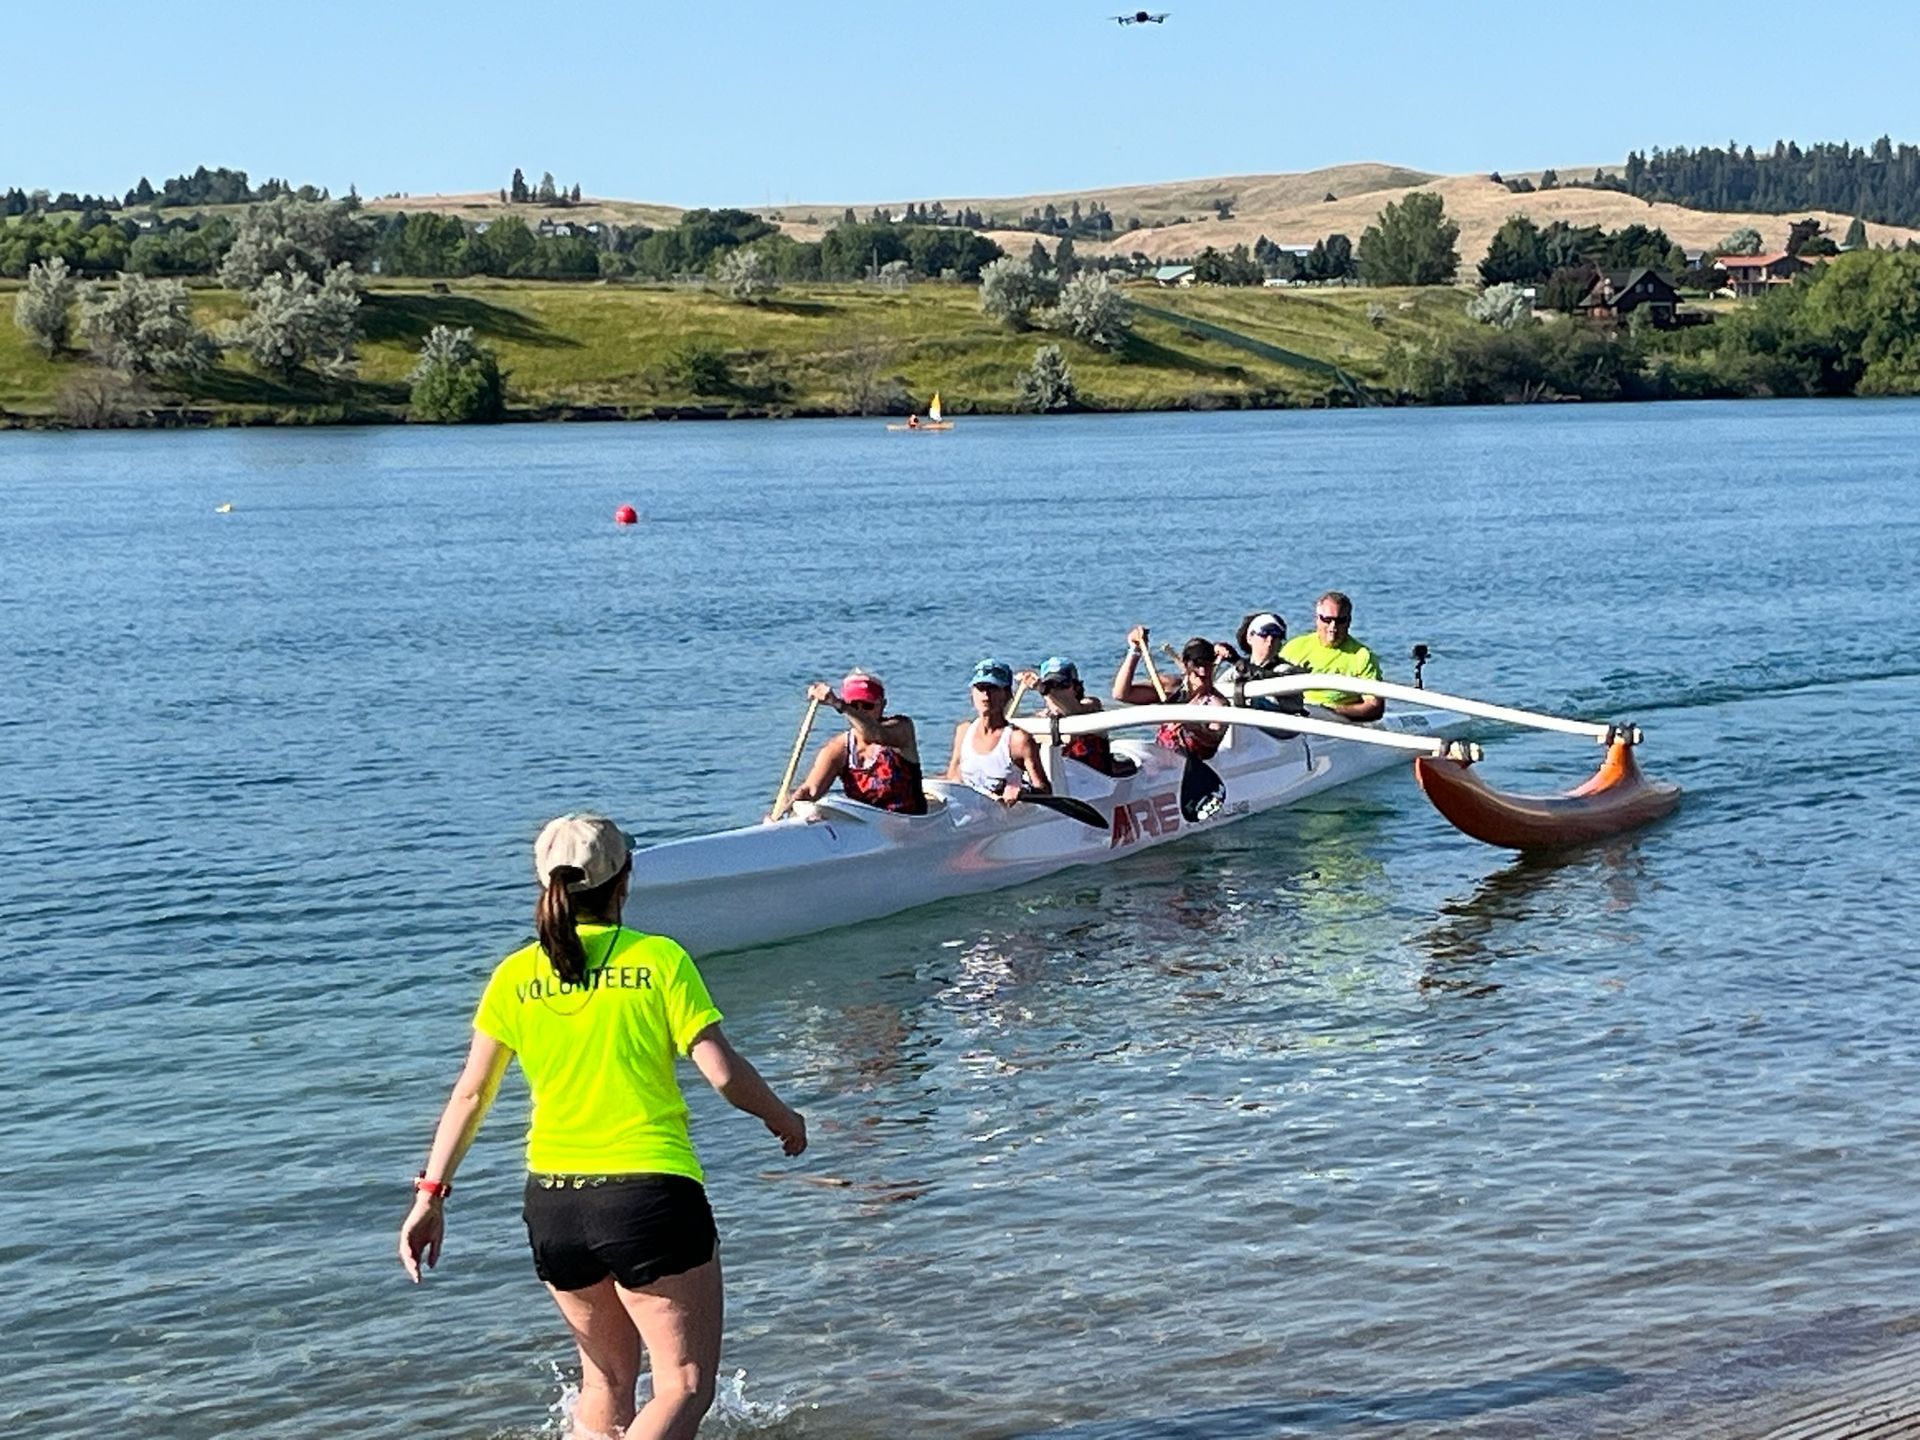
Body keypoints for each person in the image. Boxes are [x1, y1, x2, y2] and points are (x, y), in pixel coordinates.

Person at [398, 814, 808, 1440]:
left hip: (554, 1206)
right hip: (648, 1198)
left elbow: (471, 1093)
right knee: (685, 1385)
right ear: (625, 880)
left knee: (607, 1383)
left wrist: (430, 1196)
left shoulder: (515, 975)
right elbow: (723, 1074)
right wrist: (784, 1118)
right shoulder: (659, 959)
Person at [780, 670, 926, 816]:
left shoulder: (902, 728)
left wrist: (839, 705)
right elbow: (811, 791)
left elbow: (874, 734)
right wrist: (788, 809)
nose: (861, 711)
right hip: (866, 826)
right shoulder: (838, 749)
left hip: (911, 825)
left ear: (882, 705)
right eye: (854, 705)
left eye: (867, 705)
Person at [945, 657, 1052, 804]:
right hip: (969, 815)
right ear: (972, 693)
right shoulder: (963, 731)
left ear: (1007, 694)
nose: (986, 695)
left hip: (1003, 817)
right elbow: (952, 778)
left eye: (993, 688)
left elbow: (1044, 790)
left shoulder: (1018, 740)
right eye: (981, 688)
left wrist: (1023, 791)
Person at [1111, 625, 1227, 760]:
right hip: (1164, 763)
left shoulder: (1217, 703)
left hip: (1196, 765)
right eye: (1197, 664)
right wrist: (1135, 650)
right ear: (1185, 664)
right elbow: (1121, 694)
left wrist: (1192, 728)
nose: (1203, 671)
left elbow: (1214, 740)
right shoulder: (1171, 687)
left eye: (1207, 665)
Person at [1013, 655, 1137, 777]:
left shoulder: (1091, 705)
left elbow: (1073, 712)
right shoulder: (1040, 719)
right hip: (1064, 779)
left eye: (1062, 685)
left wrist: (1043, 689)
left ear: (1076, 688)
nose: (1055, 690)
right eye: (1050, 685)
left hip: (1099, 779)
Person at [1278, 590, 1386, 721]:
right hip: (1296, 716)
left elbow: (1374, 707)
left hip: (1337, 722)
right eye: (1327, 620)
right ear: (1317, 619)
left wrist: (1333, 710)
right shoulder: (1293, 648)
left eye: (1340, 621)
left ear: (1349, 621)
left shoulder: (1362, 656)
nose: (1333, 627)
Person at [1213, 611, 1309, 716]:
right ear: (1249, 637)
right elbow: (1213, 691)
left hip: (1276, 729)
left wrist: (1237, 661)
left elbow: (1272, 680)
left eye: (1276, 635)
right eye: (1264, 634)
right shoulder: (1234, 672)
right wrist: (1213, 660)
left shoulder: (1287, 671)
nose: (1270, 640)